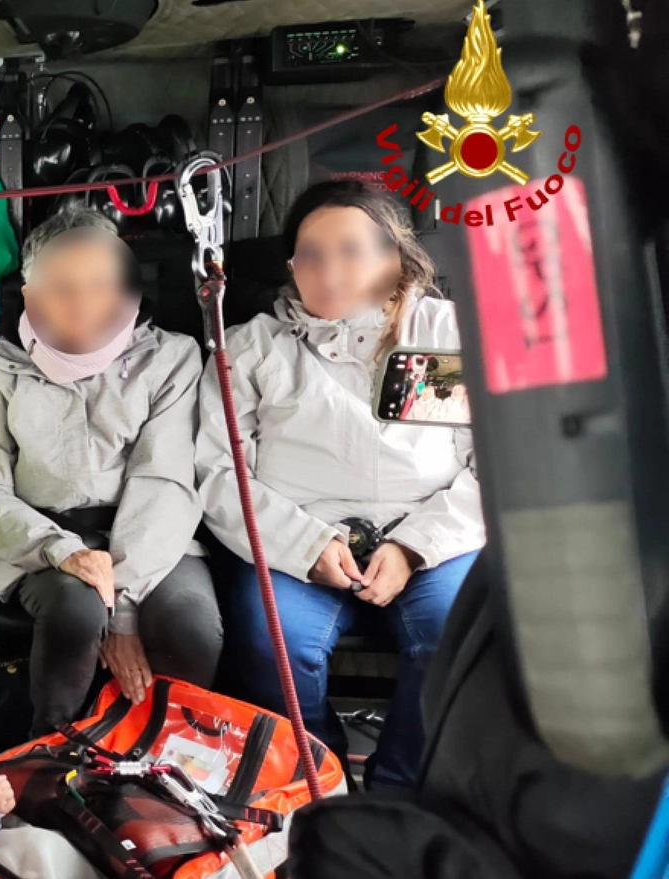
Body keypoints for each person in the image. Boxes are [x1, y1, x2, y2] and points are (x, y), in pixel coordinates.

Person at [194, 181, 484, 788]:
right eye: (311, 256)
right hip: (294, 543)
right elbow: (219, 473)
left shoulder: (448, 335)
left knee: (455, 632)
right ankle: (316, 779)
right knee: (272, 639)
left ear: (395, 256)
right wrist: (305, 545)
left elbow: (495, 466)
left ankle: (397, 790)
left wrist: (413, 547)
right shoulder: (252, 347)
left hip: (430, 540)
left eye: (352, 251)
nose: (330, 272)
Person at [0, 208, 221, 737]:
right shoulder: (0, 366)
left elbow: (163, 480)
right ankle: (53, 752)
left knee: (192, 627)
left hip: (154, 541)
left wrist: (123, 608)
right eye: (61, 287)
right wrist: (60, 549)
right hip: (41, 540)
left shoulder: (171, 359)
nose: (82, 303)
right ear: (30, 298)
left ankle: (170, 756)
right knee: (76, 612)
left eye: (100, 284)